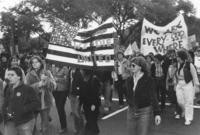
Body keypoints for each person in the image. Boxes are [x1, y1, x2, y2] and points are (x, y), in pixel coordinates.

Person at [125, 56, 161, 135]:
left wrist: (157, 113)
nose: (131, 67)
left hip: (144, 111)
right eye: (130, 65)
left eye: (133, 65)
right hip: (131, 110)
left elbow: (153, 96)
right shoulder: (129, 80)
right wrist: (130, 103)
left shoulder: (148, 79)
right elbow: (128, 95)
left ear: (140, 67)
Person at [2, 67, 40, 135]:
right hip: (9, 121)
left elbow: (36, 103)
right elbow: (6, 103)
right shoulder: (9, 89)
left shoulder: (27, 89)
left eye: (12, 75)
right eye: (8, 75)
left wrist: (23, 109)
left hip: (25, 122)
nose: (9, 77)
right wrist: (4, 112)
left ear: (19, 77)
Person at [26, 56, 56, 134]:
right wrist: (38, 85)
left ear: (40, 63)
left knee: (45, 124)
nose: (34, 64)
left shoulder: (47, 72)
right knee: (32, 124)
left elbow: (54, 86)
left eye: (36, 62)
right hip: (34, 103)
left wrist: (47, 80)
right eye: (33, 62)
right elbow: (26, 89)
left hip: (45, 102)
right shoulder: (29, 74)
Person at [176, 50, 199, 125]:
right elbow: (176, 75)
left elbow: (195, 76)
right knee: (180, 101)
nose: (176, 58)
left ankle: (188, 118)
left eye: (177, 56)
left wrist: (197, 86)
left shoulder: (190, 65)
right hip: (179, 84)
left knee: (188, 102)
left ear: (181, 57)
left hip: (188, 84)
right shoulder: (178, 64)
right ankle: (184, 110)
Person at [79, 69, 101, 135]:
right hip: (86, 104)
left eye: (82, 70)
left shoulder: (94, 79)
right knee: (89, 119)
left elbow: (96, 94)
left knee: (92, 120)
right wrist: (80, 104)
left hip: (93, 105)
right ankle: (89, 131)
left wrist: (93, 105)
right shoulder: (83, 79)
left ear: (86, 71)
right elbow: (82, 93)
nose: (80, 71)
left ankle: (94, 132)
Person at [51, 64, 70, 134]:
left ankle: (63, 126)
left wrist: (57, 79)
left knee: (60, 108)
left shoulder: (65, 68)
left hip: (63, 91)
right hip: (55, 91)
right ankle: (63, 125)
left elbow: (67, 80)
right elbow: (51, 76)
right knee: (59, 108)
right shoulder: (53, 67)